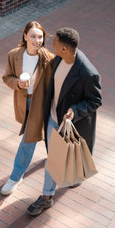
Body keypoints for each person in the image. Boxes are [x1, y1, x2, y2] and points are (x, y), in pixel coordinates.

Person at [27, 27, 102, 216]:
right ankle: (69, 176)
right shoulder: (60, 58)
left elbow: (95, 101)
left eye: (55, 42)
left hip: (65, 122)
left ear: (64, 49)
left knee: (53, 160)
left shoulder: (88, 73)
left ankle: (46, 197)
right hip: (51, 116)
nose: (51, 43)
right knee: (56, 157)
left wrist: (74, 111)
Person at [1, 21, 54, 195]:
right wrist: (18, 83)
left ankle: (15, 177)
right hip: (24, 102)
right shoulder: (14, 55)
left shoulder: (48, 58)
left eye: (40, 37)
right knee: (42, 135)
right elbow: (7, 77)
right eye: (33, 36)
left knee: (28, 139)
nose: (37, 40)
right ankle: (52, 155)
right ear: (25, 36)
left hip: (42, 103)